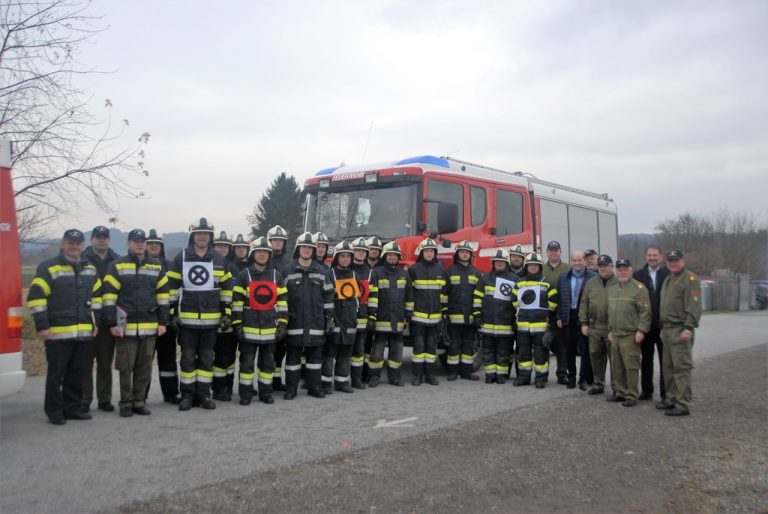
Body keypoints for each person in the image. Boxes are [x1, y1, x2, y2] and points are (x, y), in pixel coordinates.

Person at [27, 229, 102, 425]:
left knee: (77, 374)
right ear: (63, 244)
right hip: (57, 333)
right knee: (55, 376)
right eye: (70, 242)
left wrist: (96, 323)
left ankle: (72, 409)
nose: (74, 246)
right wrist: (42, 326)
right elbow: (36, 298)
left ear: (83, 245)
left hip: (83, 333)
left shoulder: (90, 268)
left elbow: (98, 298)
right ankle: (54, 411)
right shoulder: (48, 267)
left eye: (78, 243)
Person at [166, 218, 233, 411]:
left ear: (210, 236)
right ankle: (187, 395)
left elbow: (226, 291)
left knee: (206, 359)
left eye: (205, 233)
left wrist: (226, 315)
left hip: (211, 322)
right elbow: (172, 288)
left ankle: (204, 395)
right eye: (199, 233)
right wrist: (172, 314)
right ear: (193, 236)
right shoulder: (182, 258)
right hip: (187, 322)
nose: (202, 236)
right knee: (187, 359)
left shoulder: (219, 260)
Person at [102, 229, 170, 417]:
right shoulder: (117, 266)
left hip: (149, 326)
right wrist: (112, 323)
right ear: (129, 243)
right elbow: (109, 298)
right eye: (136, 241)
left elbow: (163, 296)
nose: (140, 244)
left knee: (144, 369)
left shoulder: (156, 266)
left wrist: (163, 321)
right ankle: (125, 402)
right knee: (125, 368)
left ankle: (139, 401)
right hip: (125, 328)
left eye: (143, 241)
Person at [231, 237, 288, 405]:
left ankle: (265, 393)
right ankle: (245, 394)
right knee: (247, 364)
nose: (262, 255)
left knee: (268, 364)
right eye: (259, 252)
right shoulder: (244, 275)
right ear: (253, 254)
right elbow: (237, 304)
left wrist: (282, 324)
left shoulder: (276, 276)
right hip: (249, 329)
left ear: (269, 255)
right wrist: (237, 325)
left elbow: (283, 302)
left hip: (270, 330)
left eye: (265, 252)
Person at [282, 232, 335, 399]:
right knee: (292, 360)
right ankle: (291, 389)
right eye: (303, 247)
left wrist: (329, 319)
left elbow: (328, 296)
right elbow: (281, 297)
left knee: (315, 359)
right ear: (298, 249)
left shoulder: (321, 271)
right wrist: (282, 320)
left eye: (309, 247)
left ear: (313, 250)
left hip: (316, 322)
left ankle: (315, 388)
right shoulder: (287, 270)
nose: (306, 250)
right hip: (294, 322)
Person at [656, 250, 702, 417]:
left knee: (681, 367)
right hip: (667, 329)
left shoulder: (690, 279)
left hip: (681, 328)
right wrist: (662, 327)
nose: (672, 263)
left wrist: (688, 327)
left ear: (682, 261)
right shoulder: (669, 278)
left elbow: (694, 305)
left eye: (675, 260)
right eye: (670, 261)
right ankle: (671, 398)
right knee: (668, 366)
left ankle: (682, 404)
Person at [81, 225, 120, 413]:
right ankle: (84, 400)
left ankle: (105, 399)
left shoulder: (117, 260)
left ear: (109, 240)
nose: (102, 240)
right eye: (98, 237)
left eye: (105, 237)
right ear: (92, 240)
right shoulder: (82, 260)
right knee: (85, 362)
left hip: (108, 320)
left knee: (105, 362)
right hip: (88, 320)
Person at [367, 241, 413, 387]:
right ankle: (374, 377)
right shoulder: (377, 273)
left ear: (399, 257)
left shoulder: (404, 274)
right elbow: (372, 297)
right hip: (381, 320)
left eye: (395, 255)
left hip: (398, 320)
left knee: (397, 351)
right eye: (390, 255)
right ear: (384, 256)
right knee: (377, 352)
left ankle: (395, 377)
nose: (392, 258)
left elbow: (409, 296)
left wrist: (408, 314)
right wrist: (372, 315)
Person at [607, 259, 651, 407]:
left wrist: (641, 330)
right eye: (619, 269)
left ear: (631, 270)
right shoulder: (612, 288)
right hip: (616, 334)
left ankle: (632, 394)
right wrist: (610, 329)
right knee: (616, 366)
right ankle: (620, 392)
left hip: (630, 335)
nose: (622, 272)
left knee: (631, 366)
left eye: (625, 269)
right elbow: (610, 311)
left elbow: (645, 311)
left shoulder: (639, 288)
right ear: (615, 271)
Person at [145, 229, 181, 403]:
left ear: (161, 246)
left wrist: (173, 317)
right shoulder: (140, 266)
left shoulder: (170, 266)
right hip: (146, 320)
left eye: (157, 244)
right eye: (150, 243)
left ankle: (171, 393)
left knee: (168, 359)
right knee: (144, 360)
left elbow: (177, 292)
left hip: (167, 320)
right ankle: (140, 394)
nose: (153, 246)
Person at [322, 241, 362, 394]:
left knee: (346, 352)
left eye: (348, 256)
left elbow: (358, 298)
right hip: (335, 318)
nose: (345, 259)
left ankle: (342, 382)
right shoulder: (329, 274)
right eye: (342, 256)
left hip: (349, 319)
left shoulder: (354, 275)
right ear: (336, 257)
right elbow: (326, 299)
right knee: (330, 353)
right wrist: (329, 319)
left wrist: (356, 317)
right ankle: (326, 383)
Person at [472, 249, 517, 384]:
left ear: (506, 263)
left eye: (502, 261)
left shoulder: (514, 279)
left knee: (503, 351)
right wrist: (477, 315)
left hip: (505, 323)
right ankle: (490, 374)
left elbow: (519, 303)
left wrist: (516, 319)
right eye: (497, 261)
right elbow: (477, 297)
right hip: (488, 323)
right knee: (488, 351)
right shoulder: (485, 278)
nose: (499, 264)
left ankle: (501, 375)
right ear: (493, 262)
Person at [513, 253, 558, 388]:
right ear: (526, 267)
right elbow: (514, 301)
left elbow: (554, 301)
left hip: (540, 325)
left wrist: (545, 312)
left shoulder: (547, 283)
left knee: (540, 353)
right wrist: (522, 312)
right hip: (523, 326)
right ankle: (524, 377)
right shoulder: (519, 283)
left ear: (539, 267)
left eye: (535, 265)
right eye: (530, 265)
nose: (533, 268)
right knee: (523, 352)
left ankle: (541, 378)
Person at [408, 238, 447, 386]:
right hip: (418, 317)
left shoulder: (440, 270)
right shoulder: (414, 269)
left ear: (435, 253)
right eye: (426, 251)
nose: (429, 254)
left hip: (435, 318)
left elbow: (443, 294)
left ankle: (430, 374)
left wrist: (443, 313)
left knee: (431, 347)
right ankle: (418, 375)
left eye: (431, 251)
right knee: (418, 347)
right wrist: (409, 313)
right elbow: (410, 293)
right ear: (422, 252)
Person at [633, 245, 670, 401]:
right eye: (649, 255)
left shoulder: (669, 274)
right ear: (645, 257)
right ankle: (647, 390)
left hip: (663, 326)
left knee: (665, 361)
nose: (652, 258)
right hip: (645, 326)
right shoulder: (638, 275)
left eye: (655, 255)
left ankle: (665, 393)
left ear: (661, 257)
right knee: (646, 360)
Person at [578, 255, 618, 396]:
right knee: (595, 357)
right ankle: (598, 384)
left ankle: (617, 388)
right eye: (600, 265)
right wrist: (584, 323)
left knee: (615, 359)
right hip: (595, 327)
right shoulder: (591, 283)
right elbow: (584, 303)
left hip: (612, 328)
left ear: (611, 266)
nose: (603, 268)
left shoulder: (619, 282)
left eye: (605, 265)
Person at [556, 251, 597, 390]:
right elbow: (560, 298)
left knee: (584, 350)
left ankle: (583, 379)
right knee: (570, 349)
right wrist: (559, 316)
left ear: (584, 261)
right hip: (568, 316)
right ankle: (571, 377)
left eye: (580, 260)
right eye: (575, 260)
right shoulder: (564, 277)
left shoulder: (592, 277)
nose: (577, 263)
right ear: (571, 261)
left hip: (583, 317)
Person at [444, 240, 482, 381]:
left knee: (468, 346)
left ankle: (466, 372)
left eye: (467, 252)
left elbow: (479, 296)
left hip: (470, 318)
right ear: (457, 254)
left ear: (471, 255)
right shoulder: (449, 272)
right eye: (462, 252)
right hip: (453, 318)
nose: (465, 255)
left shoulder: (476, 273)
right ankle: (453, 372)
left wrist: (478, 315)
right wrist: (444, 313)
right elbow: (444, 294)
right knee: (454, 346)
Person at [212, 231, 238, 401]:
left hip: (232, 318)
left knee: (229, 354)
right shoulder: (210, 265)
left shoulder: (234, 268)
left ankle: (228, 387)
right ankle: (217, 389)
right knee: (215, 355)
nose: (222, 249)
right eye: (219, 246)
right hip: (212, 316)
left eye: (225, 246)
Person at [542, 241, 570, 385]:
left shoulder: (567, 269)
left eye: (556, 250)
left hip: (560, 314)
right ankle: (543, 374)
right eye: (551, 250)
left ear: (560, 252)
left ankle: (562, 374)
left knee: (561, 346)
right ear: (547, 252)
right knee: (544, 344)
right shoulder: (541, 268)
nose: (553, 252)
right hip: (544, 313)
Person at [267, 224, 290, 390]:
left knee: (281, 347)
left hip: (283, 307)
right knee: (267, 348)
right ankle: (265, 381)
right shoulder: (262, 258)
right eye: (274, 240)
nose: (277, 243)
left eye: (280, 240)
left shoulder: (289, 262)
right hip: (266, 308)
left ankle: (276, 379)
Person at [350, 237, 372, 389]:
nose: (360, 253)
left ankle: (357, 379)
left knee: (359, 350)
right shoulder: (345, 270)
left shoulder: (371, 273)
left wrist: (372, 316)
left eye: (363, 251)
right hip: (346, 317)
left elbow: (375, 297)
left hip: (363, 317)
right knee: (344, 350)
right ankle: (342, 379)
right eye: (357, 250)